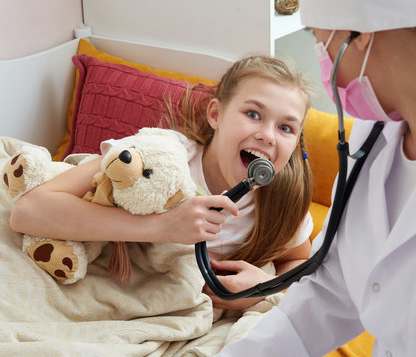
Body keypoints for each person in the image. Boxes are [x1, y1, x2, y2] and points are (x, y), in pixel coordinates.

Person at [215, 0, 416, 356]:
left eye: (316, 36)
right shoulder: (371, 136)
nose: (321, 57)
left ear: (361, 35)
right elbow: (334, 285)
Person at [9, 55, 315, 310]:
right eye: (253, 113)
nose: (268, 135)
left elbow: (297, 262)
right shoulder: (160, 154)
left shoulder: (283, 200)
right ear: (216, 114)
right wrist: (163, 226)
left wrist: (262, 289)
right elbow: (28, 211)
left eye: (286, 127)